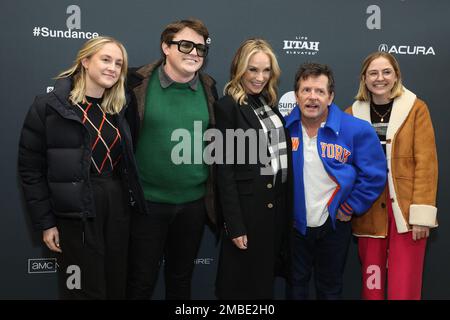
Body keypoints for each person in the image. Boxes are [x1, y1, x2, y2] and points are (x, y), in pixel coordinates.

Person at [18, 36, 144, 299]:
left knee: (115, 286)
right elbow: (31, 170)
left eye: (119, 64)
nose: (112, 68)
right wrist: (46, 222)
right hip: (75, 212)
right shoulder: (49, 107)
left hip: (116, 206)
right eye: (105, 59)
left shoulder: (120, 108)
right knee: (81, 290)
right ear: (85, 61)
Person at [126, 18, 218, 300]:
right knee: (140, 282)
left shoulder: (209, 87)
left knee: (181, 282)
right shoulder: (135, 83)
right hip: (147, 205)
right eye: (186, 45)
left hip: (192, 207)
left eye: (201, 49)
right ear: (166, 47)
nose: (194, 53)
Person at [284, 62, 386, 299]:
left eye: (320, 91)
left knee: (330, 288)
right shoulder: (283, 128)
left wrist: (350, 206)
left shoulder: (356, 129)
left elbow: (375, 174)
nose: (312, 97)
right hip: (294, 226)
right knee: (295, 286)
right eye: (306, 90)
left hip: (333, 226)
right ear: (296, 96)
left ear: (330, 97)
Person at [347, 52, 438, 300]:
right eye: (373, 73)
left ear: (396, 75)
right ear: (364, 78)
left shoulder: (416, 108)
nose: (380, 78)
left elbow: (426, 164)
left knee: (403, 288)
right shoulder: (351, 114)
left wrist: (421, 214)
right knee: (372, 286)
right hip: (368, 211)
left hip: (407, 213)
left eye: (386, 72)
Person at [214, 38, 292, 299]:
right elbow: (223, 171)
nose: (260, 77)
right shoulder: (227, 107)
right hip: (248, 212)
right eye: (253, 69)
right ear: (239, 69)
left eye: (266, 70)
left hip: (274, 209)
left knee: (262, 285)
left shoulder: (267, 104)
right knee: (239, 286)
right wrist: (234, 224)